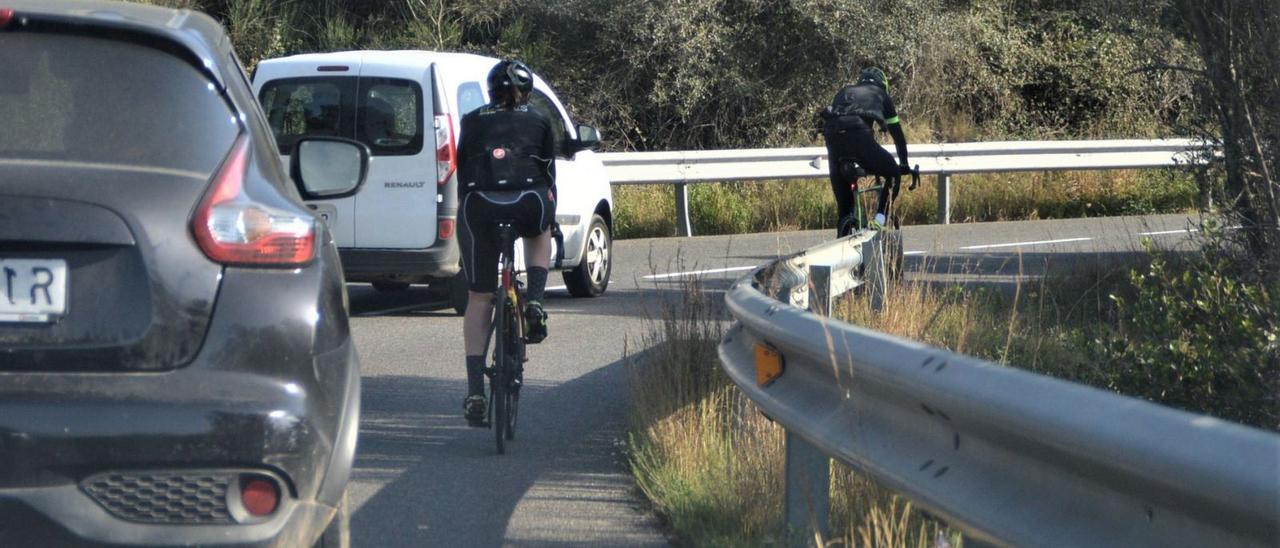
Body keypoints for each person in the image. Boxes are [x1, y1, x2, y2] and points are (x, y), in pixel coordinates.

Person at [455, 59, 557, 426]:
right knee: (540, 229)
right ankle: (535, 302)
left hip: (478, 206)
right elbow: (548, 173)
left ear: (489, 91)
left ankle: (474, 392)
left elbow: (462, 168)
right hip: (528, 201)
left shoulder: (471, 120)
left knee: (479, 297)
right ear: (527, 91)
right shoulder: (541, 118)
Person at [819, 67, 912, 234]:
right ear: (883, 85)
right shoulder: (881, 94)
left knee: (844, 206)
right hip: (859, 134)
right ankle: (880, 219)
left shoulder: (845, 91)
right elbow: (897, 134)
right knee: (892, 172)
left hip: (832, 136)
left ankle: (845, 228)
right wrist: (904, 163)